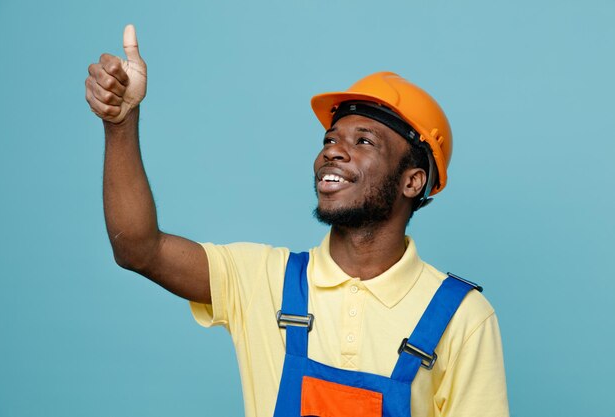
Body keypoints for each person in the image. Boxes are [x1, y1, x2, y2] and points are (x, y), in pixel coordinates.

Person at [85, 24, 510, 417]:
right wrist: (120, 124)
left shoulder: (463, 318)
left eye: (363, 141)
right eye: (330, 139)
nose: (332, 151)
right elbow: (138, 249)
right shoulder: (261, 279)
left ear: (413, 181)